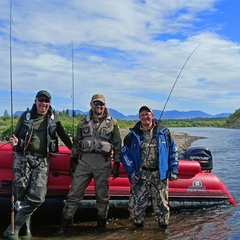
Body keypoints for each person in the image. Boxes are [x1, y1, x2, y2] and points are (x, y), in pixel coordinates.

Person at [3, 90, 72, 240]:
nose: (44, 104)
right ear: (35, 101)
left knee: (38, 196)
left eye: (47, 101)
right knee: (20, 195)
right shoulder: (25, 116)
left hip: (42, 160)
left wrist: (75, 151)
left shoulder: (54, 118)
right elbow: (14, 136)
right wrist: (14, 141)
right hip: (23, 158)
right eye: (41, 100)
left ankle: (13, 229)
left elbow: (63, 135)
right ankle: (26, 230)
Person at [56, 93, 122, 234]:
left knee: (102, 197)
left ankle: (101, 225)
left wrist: (116, 163)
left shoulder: (113, 123)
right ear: (91, 105)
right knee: (73, 195)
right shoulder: (83, 122)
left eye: (101, 104)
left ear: (105, 106)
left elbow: (117, 144)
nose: (99, 106)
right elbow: (76, 142)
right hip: (83, 163)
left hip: (103, 165)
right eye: (96, 103)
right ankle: (64, 226)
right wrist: (73, 160)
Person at [120, 106, 178, 228]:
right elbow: (125, 154)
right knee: (136, 204)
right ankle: (137, 227)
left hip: (159, 174)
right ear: (139, 117)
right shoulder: (132, 136)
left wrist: (173, 169)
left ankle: (163, 229)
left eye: (147, 114)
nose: (145, 117)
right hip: (141, 174)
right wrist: (131, 171)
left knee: (162, 203)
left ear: (152, 115)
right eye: (142, 115)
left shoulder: (165, 133)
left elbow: (173, 151)